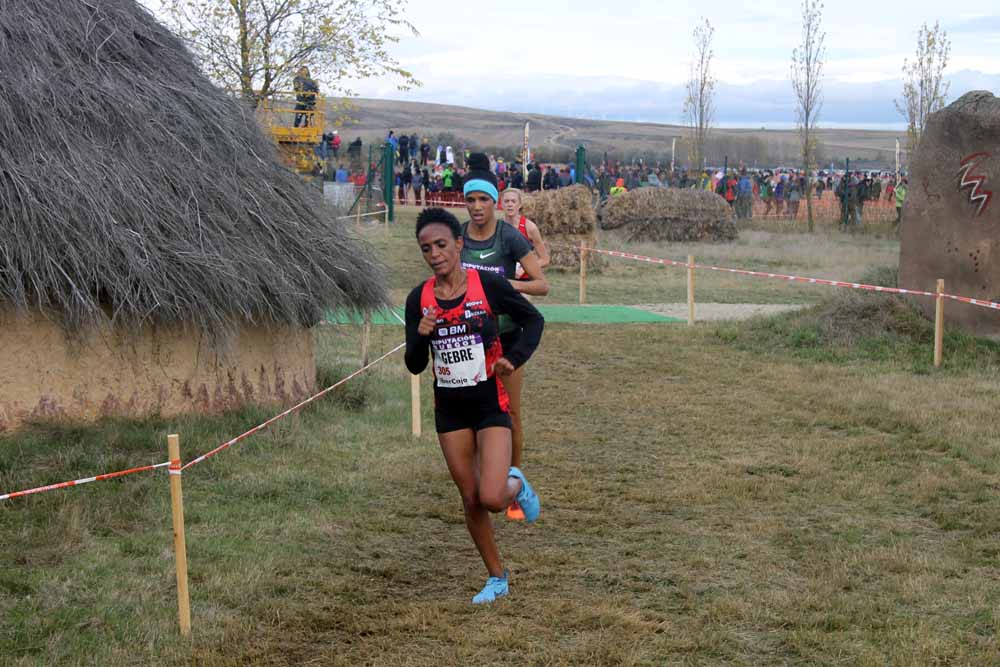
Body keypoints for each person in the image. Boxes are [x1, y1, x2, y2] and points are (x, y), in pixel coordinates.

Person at [405, 207, 544, 604]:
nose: (435, 254)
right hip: (449, 410)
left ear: (459, 245)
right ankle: (497, 577)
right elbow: (414, 364)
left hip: (488, 404)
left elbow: (533, 322)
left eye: (442, 245)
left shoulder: (487, 286)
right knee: (469, 498)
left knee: (492, 497)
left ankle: (516, 485)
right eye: (426, 248)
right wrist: (420, 335)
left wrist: (513, 359)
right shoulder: (420, 299)